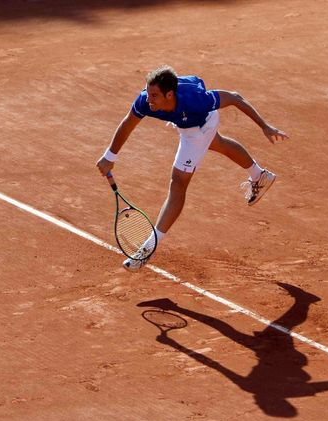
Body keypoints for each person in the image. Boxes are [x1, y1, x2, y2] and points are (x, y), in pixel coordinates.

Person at [96, 65, 288, 271]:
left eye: (154, 95)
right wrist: (110, 156)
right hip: (187, 123)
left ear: (170, 95)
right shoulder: (145, 101)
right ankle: (259, 175)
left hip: (200, 126)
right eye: (147, 92)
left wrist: (264, 126)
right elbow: (128, 123)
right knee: (218, 143)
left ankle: (148, 248)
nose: (148, 99)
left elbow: (234, 97)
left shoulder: (195, 100)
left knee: (178, 183)